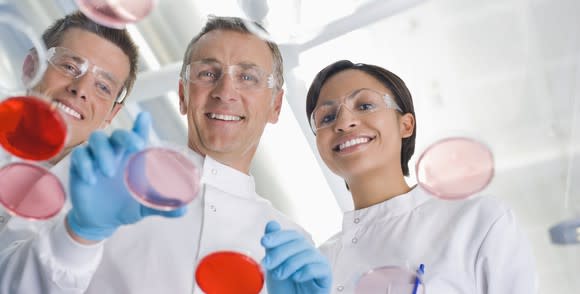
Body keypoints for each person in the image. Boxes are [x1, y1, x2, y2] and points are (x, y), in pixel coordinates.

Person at [0, 16, 331, 294]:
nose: (226, 92)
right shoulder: (103, 170)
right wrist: (79, 235)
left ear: (275, 105)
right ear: (183, 95)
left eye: (247, 77)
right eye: (207, 73)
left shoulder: (294, 246)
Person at [305, 60, 537, 293]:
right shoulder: (317, 267)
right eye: (327, 118)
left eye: (365, 106)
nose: (345, 122)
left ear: (406, 125)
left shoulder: (477, 221)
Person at [0, 11, 138, 242]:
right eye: (70, 67)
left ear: (111, 114)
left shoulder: (92, 216)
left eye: (103, 87)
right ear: (30, 67)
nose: (80, 89)